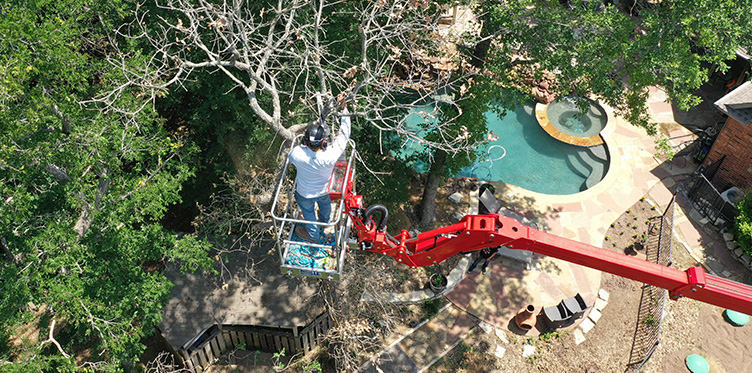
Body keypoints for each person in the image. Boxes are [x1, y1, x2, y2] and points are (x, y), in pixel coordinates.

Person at [289, 102, 351, 244]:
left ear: (305, 141)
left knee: (309, 215)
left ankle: (314, 236)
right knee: (325, 206)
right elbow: (344, 134)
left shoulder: (297, 154)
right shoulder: (330, 155)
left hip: (304, 193)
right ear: (323, 143)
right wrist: (344, 110)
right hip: (323, 191)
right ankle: (324, 222)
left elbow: (292, 156)